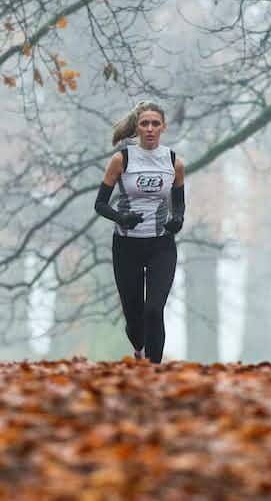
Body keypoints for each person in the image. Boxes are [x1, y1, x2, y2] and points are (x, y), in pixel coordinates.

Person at [93, 101, 185, 363]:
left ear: (163, 127)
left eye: (155, 123)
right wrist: (121, 217)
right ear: (137, 127)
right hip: (127, 246)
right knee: (135, 320)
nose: (150, 129)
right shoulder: (122, 159)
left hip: (161, 246)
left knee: (154, 311)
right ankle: (139, 348)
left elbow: (179, 202)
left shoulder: (174, 162)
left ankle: (155, 371)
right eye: (145, 123)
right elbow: (99, 204)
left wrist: (177, 219)